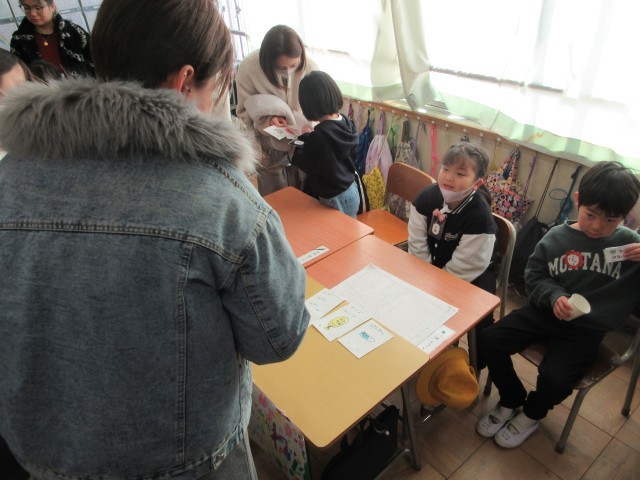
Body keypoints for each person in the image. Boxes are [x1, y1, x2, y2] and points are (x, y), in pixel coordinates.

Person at [0, 1, 309, 480]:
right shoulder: (222, 200)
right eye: (214, 87)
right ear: (184, 82)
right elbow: (279, 337)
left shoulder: (10, 177)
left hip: (40, 457)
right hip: (190, 463)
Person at [477, 161, 640, 449]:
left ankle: (532, 413)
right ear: (578, 201)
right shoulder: (557, 237)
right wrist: (554, 296)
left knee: (555, 379)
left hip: (586, 329)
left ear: (625, 218)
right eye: (591, 215)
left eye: (611, 220)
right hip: (545, 312)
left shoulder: (630, 246)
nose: (598, 226)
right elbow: (534, 275)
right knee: (488, 339)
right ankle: (512, 397)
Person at [408, 142, 497, 368]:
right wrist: (425, 277)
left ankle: (475, 365)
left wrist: (434, 288)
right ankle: (415, 351)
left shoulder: (479, 216)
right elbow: (417, 243)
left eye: (460, 173)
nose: (449, 177)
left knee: (480, 319)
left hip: (471, 275)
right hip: (430, 264)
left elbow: (466, 265)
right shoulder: (427, 197)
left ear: (477, 182)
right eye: (445, 169)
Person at [235, 24, 318, 195]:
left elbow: (318, 107)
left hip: (303, 141)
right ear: (268, 62)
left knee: (306, 193)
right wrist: (268, 120)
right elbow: (244, 111)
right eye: (281, 68)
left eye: (293, 65)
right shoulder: (249, 68)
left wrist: (311, 126)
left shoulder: (310, 67)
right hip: (269, 145)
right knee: (275, 195)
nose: (288, 72)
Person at [291, 71, 360, 217]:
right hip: (351, 189)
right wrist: (312, 135)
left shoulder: (320, 135)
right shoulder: (347, 122)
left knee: (334, 229)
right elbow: (332, 146)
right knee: (348, 226)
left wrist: (303, 137)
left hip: (334, 197)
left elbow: (305, 161)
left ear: (309, 106)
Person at [10, 0, 93, 77]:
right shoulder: (19, 40)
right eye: (27, 8)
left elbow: (95, 65)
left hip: (79, 86)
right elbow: (17, 74)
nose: (32, 13)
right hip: (39, 87)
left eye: (38, 8)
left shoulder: (76, 33)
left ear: (52, 6)